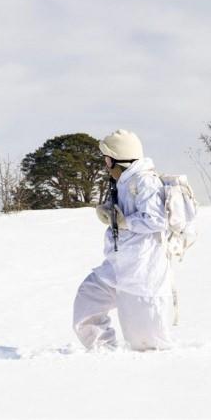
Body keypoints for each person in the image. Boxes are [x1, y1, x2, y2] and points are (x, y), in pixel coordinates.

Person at [72, 129, 174, 351]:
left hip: (142, 274)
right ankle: (104, 354)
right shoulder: (124, 182)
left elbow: (157, 220)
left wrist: (125, 222)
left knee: (147, 345)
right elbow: (127, 213)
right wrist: (109, 213)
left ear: (122, 160)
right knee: (86, 303)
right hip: (117, 267)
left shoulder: (145, 181)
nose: (105, 165)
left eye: (107, 160)